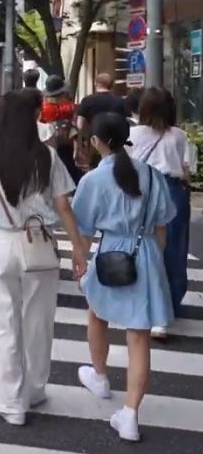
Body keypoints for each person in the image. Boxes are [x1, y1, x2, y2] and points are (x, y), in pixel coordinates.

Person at [0, 90, 87, 427]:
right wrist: (78, 248)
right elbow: (63, 205)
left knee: (2, 325)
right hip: (39, 244)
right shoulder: (47, 156)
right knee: (38, 323)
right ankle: (33, 390)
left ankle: (11, 402)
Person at [73, 113, 176, 443]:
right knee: (139, 337)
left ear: (95, 141)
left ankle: (100, 377)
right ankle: (130, 415)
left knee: (97, 312)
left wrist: (80, 262)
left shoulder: (92, 180)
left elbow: (84, 230)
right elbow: (162, 226)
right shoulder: (151, 174)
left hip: (110, 253)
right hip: (144, 253)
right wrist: (153, 258)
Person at [129, 86, 192, 339]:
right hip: (173, 191)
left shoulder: (132, 133)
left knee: (142, 249)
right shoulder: (179, 135)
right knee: (174, 251)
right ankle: (168, 310)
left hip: (142, 191)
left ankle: (145, 306)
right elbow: (186, 172)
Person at [41, 75, 81, 182]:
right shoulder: (70, 107)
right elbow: (75, 128)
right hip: (67, 145)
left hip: (47, 145)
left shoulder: (42, 108)